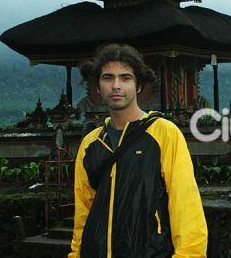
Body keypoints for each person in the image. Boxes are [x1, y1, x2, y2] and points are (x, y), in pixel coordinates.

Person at [69, 44, 207, 258]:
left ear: (139, 85)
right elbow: (83, 213)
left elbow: (186, 206)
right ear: (97, 86)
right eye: (107, 78)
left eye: (125, 78)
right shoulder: (91, 143)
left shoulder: (163, 133)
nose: (116, 85)